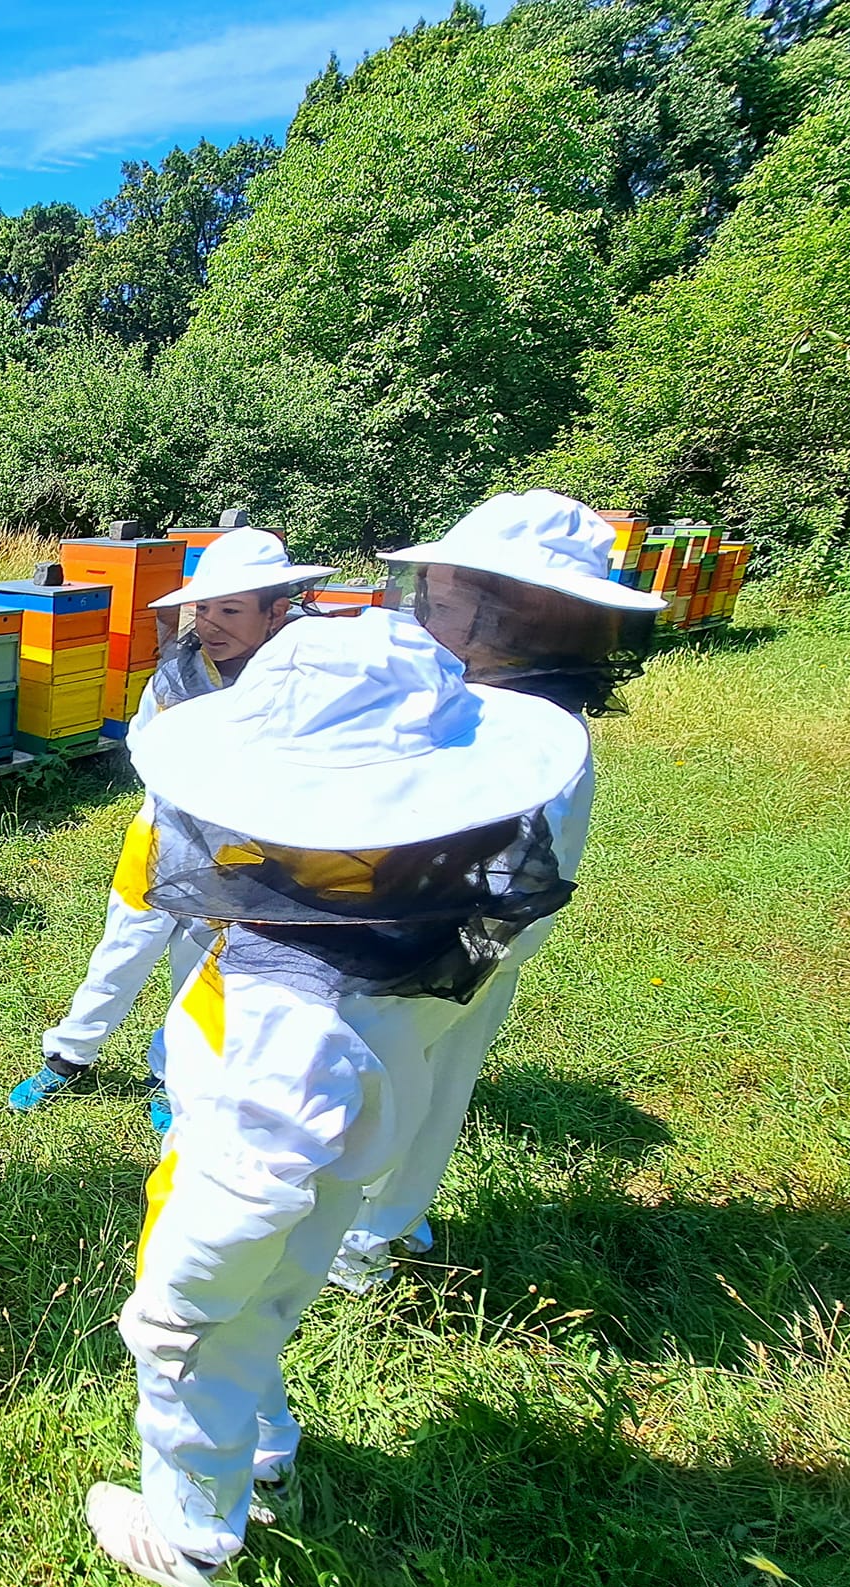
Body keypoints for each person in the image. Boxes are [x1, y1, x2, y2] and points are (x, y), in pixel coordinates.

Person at [83, 607, 588, 1587]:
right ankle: (263, 1445)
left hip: (235, 1200)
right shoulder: (416, 929)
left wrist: (169, 1308)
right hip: (331, 1182)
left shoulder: (289, 1001)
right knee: (266, 1319)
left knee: (197, 1359)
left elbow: (248, 1178)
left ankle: (187, 1539)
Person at [327, 489, 664, 1290]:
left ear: (521, 609)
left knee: (387, 1080)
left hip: (439, 939)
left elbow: (468, 852)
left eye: (450, 592)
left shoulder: (526, 725)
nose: (430, 605)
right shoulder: (514, 705)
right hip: (469, 939)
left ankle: (354, 1237)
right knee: (433, 1080)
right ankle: (385, 1228)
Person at [9, 531, 334, 1129]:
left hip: (244, 857)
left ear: (276, 612)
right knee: (121, 953)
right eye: (204, 608)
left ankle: (172, 1070)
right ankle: (68, 1055)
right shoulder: (177, 675)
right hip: (162, 840)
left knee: (200, 970)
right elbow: (143, 742)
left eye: (231, 610)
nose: (211, 623)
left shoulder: (303, 680)